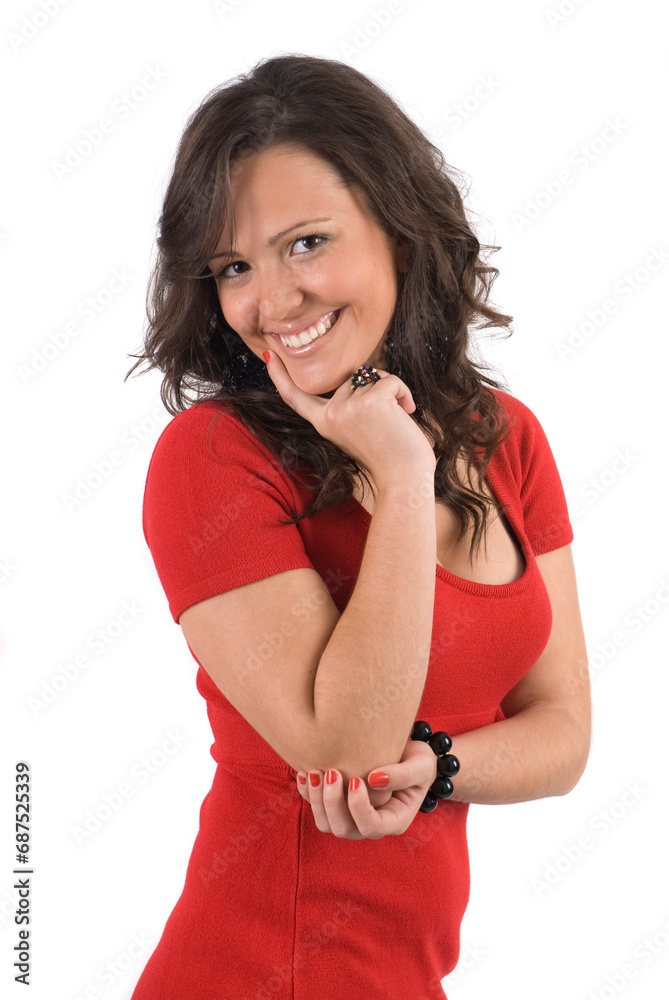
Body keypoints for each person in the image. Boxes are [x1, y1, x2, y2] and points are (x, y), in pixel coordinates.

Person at [125, 53, 591, 999]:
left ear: (400, 232)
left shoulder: (508, 442)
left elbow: (566, 733)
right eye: (233, 267)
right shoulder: (213, 461)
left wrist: (441, 767)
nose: (271, 299)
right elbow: (344, 751)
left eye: (305, 243)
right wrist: (403, 469)